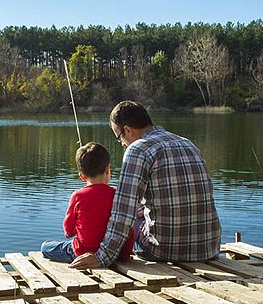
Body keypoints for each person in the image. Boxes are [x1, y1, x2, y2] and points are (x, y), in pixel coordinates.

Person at [69, 101, 222, 269]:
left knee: (119, 215)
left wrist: (102, 256)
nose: (122, 144)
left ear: (128, 130)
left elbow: (123, 213)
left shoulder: (137, 149)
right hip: (208, 248)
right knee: (138, 209)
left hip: (165, 250)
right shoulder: (187, 143)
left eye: (119, 138)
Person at [41, 142, 134, 263]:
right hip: (115, 253)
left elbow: (69, 231)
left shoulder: (78, 196)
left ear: (82, 176)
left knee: (45, 246)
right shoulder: (118, 195)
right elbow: (129, 228)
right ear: (107, 169)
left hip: (82, 252)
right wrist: (125, 255)